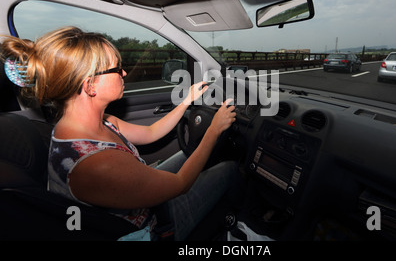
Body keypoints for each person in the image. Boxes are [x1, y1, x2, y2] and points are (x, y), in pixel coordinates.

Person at [0, 26, 237, 240]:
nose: (124, 74)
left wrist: (186, 101)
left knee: (191, 155)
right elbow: (181, 183)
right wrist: (214, 129)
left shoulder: (98, 123)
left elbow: (152, 132)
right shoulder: (96, 165)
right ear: (90, 85)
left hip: (136, 200)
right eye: (116, 68)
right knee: (229, 168)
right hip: (151, 228)